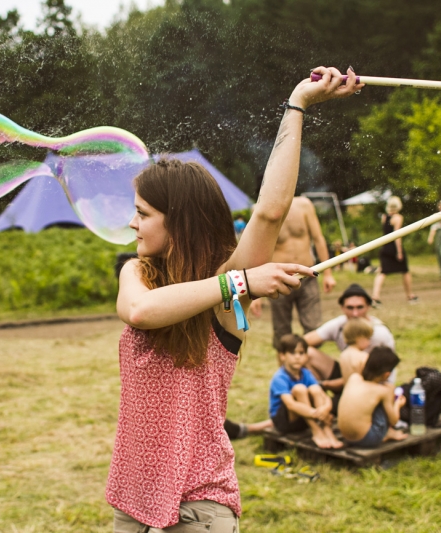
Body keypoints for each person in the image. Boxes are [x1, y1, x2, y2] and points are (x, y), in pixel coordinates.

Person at [109, 67, 362, 532]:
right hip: (134, 497)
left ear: (178, 221)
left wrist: (297, 105)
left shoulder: (224, 297)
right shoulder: (138, 273)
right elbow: (141, 312)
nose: (132, 224)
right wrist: (240, 283)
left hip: (198, 506)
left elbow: (269, 212)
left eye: (143, 214)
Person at [249, 196, 336, 348]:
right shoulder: (259, 209)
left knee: (314, 329)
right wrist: (256, 295)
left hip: (308, 275)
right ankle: (286, 372)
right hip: (279, 279)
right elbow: (256, 250)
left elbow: (318, 238)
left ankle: (309, 371)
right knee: (282, 333)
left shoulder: (304, 205)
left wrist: (328, 274)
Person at [303, 283, 396, 389]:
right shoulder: (339, 324)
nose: (355, 313)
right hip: (348, 375)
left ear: (368, 307)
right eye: (350, 308)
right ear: (342, 308)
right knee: (305, 353)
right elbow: (301, 342)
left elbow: (386, 370)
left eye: (360, 307)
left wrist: (326, 384)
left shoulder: (380, 332)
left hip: (372, 382)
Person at [266, 334, 341, 448]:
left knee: (315, 389)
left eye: (301, 353)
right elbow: (291, 405)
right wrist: (315, 414)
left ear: (306, 356)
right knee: (299, 389)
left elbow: (322, 395)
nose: (297, 357)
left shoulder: (306, 373)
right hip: (285, 422)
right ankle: (316, 430)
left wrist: (325, 410)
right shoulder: (280, 377)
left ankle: (327, 430)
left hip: (305, 417)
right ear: (282, 356)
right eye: (292, 353)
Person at [338, 347, 407, 447]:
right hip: (367, 439)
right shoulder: (383, 391)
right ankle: (389, 432)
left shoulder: (354, 378)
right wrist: (398, 404)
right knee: (383, 400)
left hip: (346, 437)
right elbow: (394, 421)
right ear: (386, 375)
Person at [372, 196, 417, 307]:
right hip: (393, 247)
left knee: (382, 272)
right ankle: (410, 295)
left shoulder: (384, 217)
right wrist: (399, 251)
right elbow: (397, 236)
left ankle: (375, 296)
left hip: (385, 247)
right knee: (405, 271)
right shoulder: (398, 217)